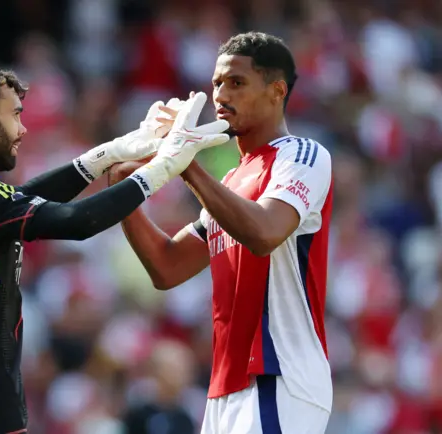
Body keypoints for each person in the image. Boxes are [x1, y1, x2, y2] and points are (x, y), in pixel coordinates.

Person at [0, 65, 229, 434]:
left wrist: (108, 153)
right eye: (14, 114)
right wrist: (164, 167)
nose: (22, 129)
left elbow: (24, 199)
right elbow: (76, 222)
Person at [109, 32, 333, 433]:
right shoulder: (230, 181)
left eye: (237, 82)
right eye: (216, 83)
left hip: (280, 373)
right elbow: (167, 267)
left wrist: (183, 160)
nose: (220, 94)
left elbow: (265, 233)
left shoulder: (303, 154)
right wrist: (123, 185)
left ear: (276, 90)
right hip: (227, 384)